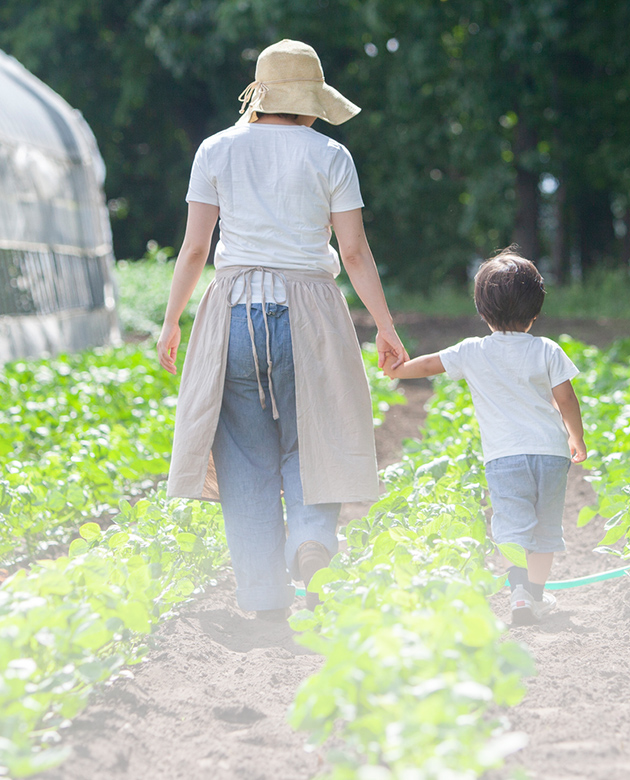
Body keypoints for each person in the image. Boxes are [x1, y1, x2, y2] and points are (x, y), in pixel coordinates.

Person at [157, 39, 407, 622]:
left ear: (260, 96)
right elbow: (354, 251)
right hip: (312, 312)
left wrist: (172, 322)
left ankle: (264, 597)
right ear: (310, 102)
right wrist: (386, 328)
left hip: (235, 311)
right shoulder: (331, 157)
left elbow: (195, 249)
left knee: (244, 454)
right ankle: (312, 541)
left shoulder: (215, 149)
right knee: (314, 435)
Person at [383, 247, 586, 624]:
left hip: (504, 457)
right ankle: (535, 595)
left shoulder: (472, 351)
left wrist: (398, 370)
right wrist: (576, 437)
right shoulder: (547, 349)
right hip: (551, 454)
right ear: (537, 310)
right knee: (545, 528)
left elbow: (430, 364)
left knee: (512, 525)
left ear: (482, 311)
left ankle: (519, 592)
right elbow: (567, 398)